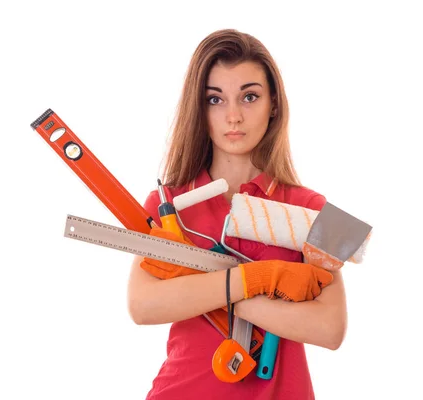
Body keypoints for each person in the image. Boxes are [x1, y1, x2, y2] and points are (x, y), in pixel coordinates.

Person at [127, 29, 348, 400]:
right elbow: (142, 306)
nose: (233, 116)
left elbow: (331, 328)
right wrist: (256, 280)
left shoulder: (315, 207)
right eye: (215, 99)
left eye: (249, 97)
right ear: (199, 108)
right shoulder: (167, 202)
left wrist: (208, 289)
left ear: (273, 103)